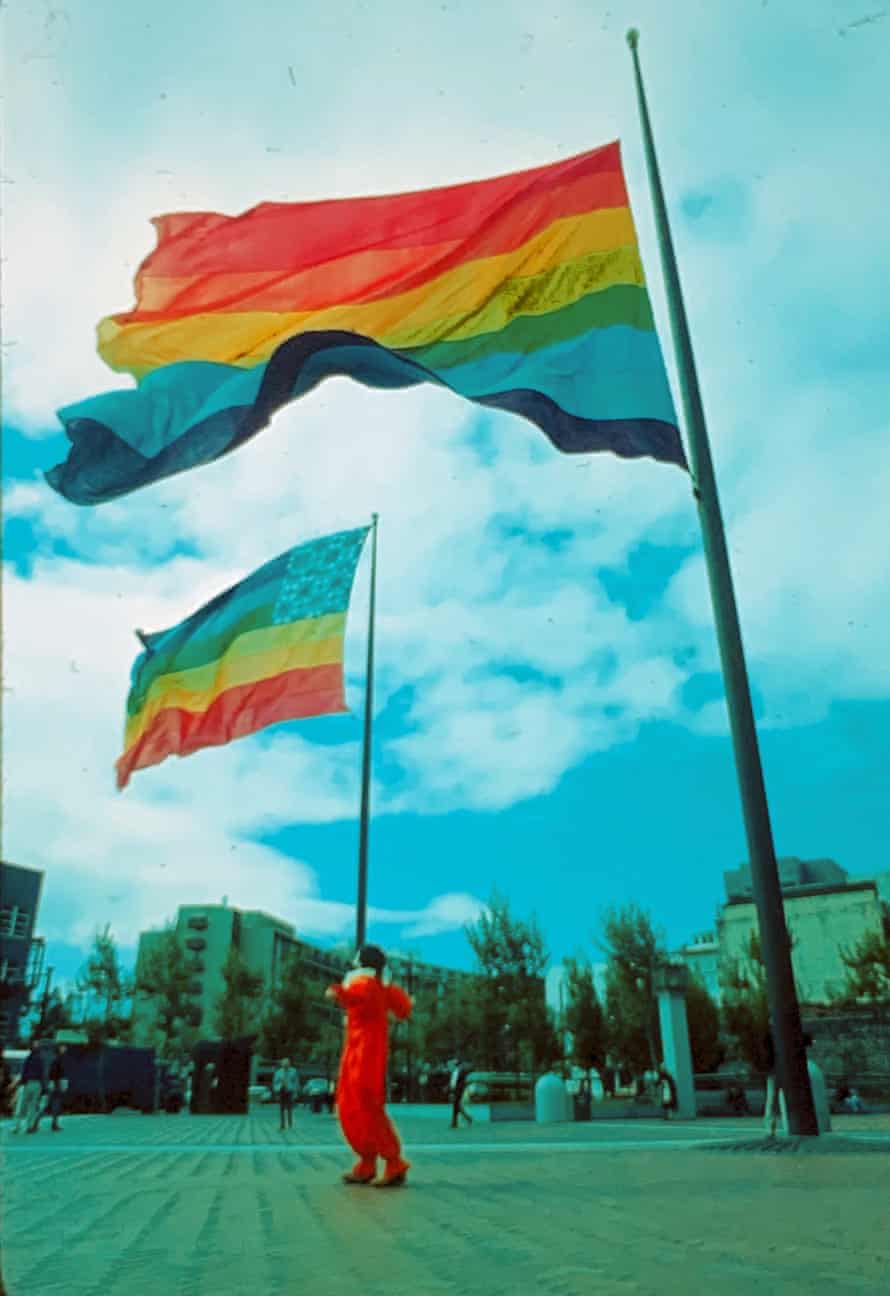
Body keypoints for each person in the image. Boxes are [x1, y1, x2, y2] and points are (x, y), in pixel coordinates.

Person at [325, 943, 412, 1188]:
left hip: (364, 1053)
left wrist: (338, 993)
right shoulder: (379, 985)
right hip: (361, 1051)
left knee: (363, 1104)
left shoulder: (365, 984)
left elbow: (361, 997)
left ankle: (391, 1162)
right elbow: (403, 1009)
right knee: (356, 1104)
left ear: (361, 961)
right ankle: (368, 1162)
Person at [14, 1042, 45, 1134]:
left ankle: (17, 1126)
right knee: (32, 1106)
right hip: (37, 1084)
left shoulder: (28, 1059)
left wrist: (22, 1083)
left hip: (28, 1083)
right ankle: (29, 1126)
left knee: (22, 1106)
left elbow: (24, 1072)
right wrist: (43, 1088)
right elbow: (42, 1074)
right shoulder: (40, 1060)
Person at [47, 1043, 68, 1132]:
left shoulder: (58, 1059)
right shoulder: (57, 1059)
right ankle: (53, 1124)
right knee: (54, 1104)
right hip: (56, 1084)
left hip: (56, 1083)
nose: (65, 1049)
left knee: (53, 1104)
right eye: (63, 1047)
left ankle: (54, 1123)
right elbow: (55, 1073)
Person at [273, 1056, 298, 1130]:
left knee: (290, 1108)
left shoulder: (294, 1071)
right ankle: (282, 1124)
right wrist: (277, 1090)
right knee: (281, 1109)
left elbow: (296, 1082)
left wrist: (295, 1092)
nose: (285, 1065)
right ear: (281, 1064)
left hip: (290, 1091)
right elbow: (275, 1082)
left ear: (289, 1064)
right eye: (284, 1063)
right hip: (281, 1090)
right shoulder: (278, 1072)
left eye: (287, 1063)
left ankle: (290, 1123)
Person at [448, 1058, 473, 1128]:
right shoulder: (457, 1072)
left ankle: (456, 1122)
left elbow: (455, 1083)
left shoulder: (458, 1072)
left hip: (457, 1091)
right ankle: (464, 1119)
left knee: (456, 1106)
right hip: (457, 1090)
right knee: (456, 1106)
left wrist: (453, 1091)